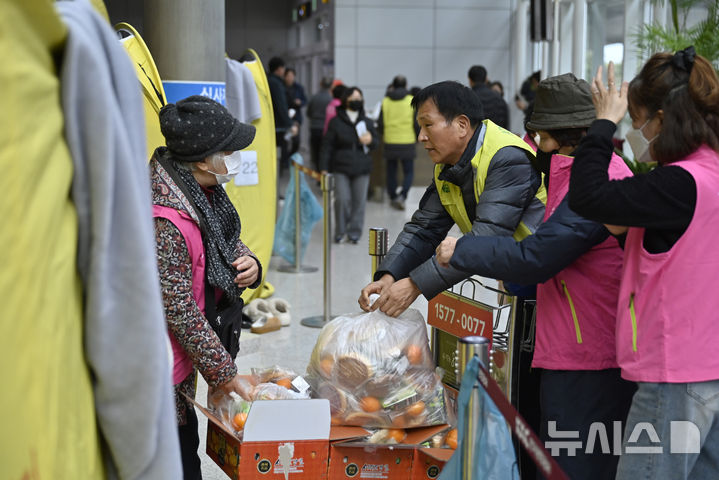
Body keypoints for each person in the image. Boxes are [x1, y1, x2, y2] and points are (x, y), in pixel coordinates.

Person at [436, 73, 636, 480]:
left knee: (575, 466)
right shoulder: (570, 174)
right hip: (573, 343)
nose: (533, 148)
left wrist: (466, 247)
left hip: (591, 355)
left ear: (555, 137)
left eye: (538, 138)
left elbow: (539, 255)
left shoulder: (599, 180)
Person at [569, 49, 719, 480]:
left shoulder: (677, 184)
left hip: (675, 373)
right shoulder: (705, 177)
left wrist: (601, 124)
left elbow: (587, 196)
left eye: (636, 120)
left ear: (660, 119)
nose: (635, 131)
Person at [358, 81, 546, 316]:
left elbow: (487, 235)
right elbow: (424, 229)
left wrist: (415, 284)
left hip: (546, 279)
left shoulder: (507, 158)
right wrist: (390, 275)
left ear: (461, 125)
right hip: (516, 273)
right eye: (419, 127)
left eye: (428, 125)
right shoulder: (449, 165)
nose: (421, 137)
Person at [151, 95, 262, 479]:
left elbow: (225, 240)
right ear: (202, 159)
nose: (236, 158)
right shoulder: (165, 219)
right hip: (158, 368)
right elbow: (178, 307)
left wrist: (250, 263)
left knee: (186, 448)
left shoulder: (203, 191)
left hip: (185, 361)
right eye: (229, 151)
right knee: (176, 458)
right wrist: (225, 374)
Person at [320, 86, 379, 244]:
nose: (356, 101)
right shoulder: (336, 122)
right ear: (346, 100)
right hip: (341, 166)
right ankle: (340, 231)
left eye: (359, 98)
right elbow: (327, 146)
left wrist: (371, 140)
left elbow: (376, 143)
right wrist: (324, 168)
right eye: (353, 98)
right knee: (342, 199)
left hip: (362, 166)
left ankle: (354, 233)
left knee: (359, 202)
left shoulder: (366, 122)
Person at [378, 75, 417, 210]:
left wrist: (386, 134)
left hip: (390, 140)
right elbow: (416, 122)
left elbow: (380, 123)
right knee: (409, 171)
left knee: (391, 170)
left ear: (393, 86)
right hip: (407, 140)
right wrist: (417, 137)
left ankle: (393, 196)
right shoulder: (411, 100)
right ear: (406, 86)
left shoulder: (386, 101)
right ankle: (403, 195)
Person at [267, 56, 296, 173]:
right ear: (279, 69)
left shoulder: (267, 80)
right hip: (278, 126)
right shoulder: (277, 84)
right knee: (279, 155)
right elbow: (281, 105)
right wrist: (290, 124)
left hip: (271, 124)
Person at [468, 65, 509, 129]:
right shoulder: (499, 98)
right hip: (497, 137)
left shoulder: (467, 98)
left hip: (477, 138)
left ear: (470, 80)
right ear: (486, 79)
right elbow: (506, 127)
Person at [307, 76, 333, 169]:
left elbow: (309, 113)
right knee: (324, 152)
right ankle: (323, 173)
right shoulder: (331, 99)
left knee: (316, 151)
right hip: (326, 129)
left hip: (314, 127)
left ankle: (317, 172)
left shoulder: (314, 97)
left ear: (321, 84)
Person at [284, 67, 307, 156]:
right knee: (285, 139)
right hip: (285, 116)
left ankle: (291, 156)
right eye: (288, 76)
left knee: (296, 140)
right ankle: (285, 159)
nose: (290, 78)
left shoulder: (298, 87)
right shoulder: (282, 87)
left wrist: (300, 102)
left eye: (292, 76)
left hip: (295, 117)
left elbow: (305, 100)